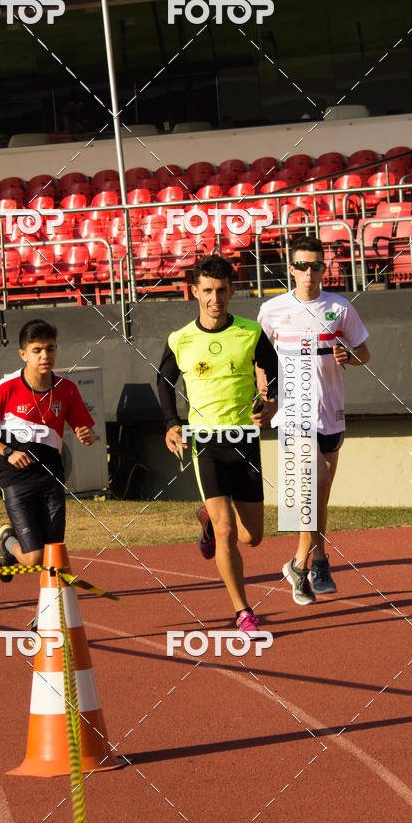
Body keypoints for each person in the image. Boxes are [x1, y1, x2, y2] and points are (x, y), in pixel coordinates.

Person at [156, 255, 278, 633]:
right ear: (194, 291)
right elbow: (163, 382)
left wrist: (268, 405)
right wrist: (172, 424)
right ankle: (242, 611)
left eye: (221, 290)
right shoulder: (180, 339)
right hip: (205, 442)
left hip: (244, 441)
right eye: (207, 291)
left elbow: (273, 374)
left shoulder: (251, 332)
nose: (215, 298)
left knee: (251, 537)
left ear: (232, 290)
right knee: (228, 534)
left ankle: (207, 522)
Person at [257, 234, 370, 604]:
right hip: (294, 412)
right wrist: (266, 394)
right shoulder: (272, 311)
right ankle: (318, 559)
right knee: (312, 484)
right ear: (291, 268)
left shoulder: (339, 308)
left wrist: (348, 358)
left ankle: (299, 564)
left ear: (325, 269)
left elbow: (364, 353)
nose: (309, 273)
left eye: (316, 266)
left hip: (332, 412)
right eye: (302, 266)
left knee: (320, 494)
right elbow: (265, 357)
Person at [0, 318, 96, 584]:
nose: (45, 356)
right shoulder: (6, 387)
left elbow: (88, 433)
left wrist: (88, 435)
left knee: (54, 552)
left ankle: (49, 617)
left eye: (50, 349)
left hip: (51, 475)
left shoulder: (67, 389)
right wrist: (6, 450)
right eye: (37, 350)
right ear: (23, 354)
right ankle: (7, 541)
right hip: (15, 478)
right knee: (35, 557)